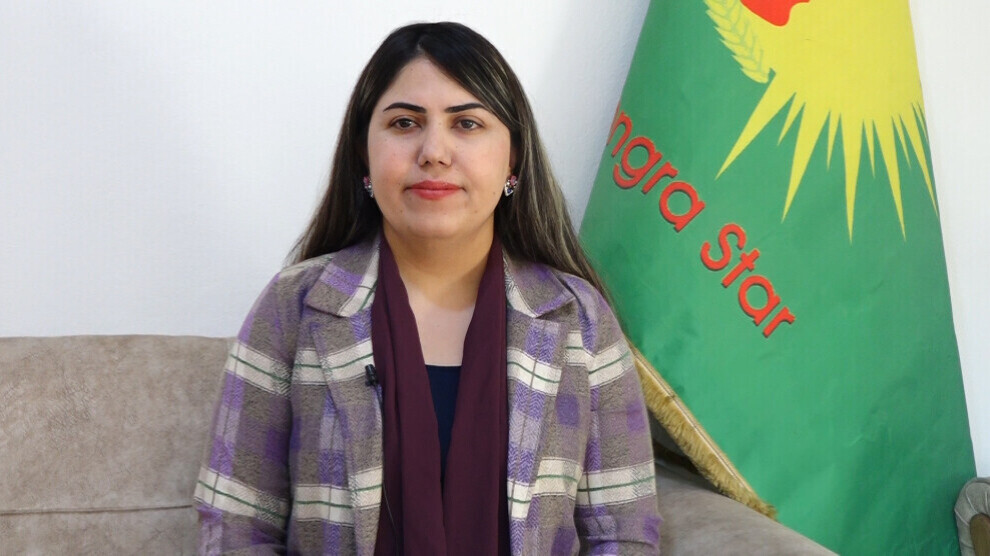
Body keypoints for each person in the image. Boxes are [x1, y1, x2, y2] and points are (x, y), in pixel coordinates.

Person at [194, 21, 660, 555]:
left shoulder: (578, 319)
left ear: (512, 158)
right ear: (364, 156)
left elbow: (624, 533)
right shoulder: (294, 308)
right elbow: (234, 526)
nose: (434, 151)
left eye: (467, 123)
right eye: (405, 123)